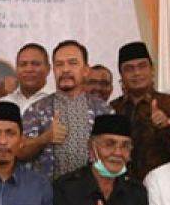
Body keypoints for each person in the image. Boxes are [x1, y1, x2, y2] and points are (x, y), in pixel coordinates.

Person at [20, 40, 112, 179]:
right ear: (53, 70)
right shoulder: (36, 110)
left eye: (72, 63)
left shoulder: (103, 110)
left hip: (90, 194)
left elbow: (115, 156)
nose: (65, 69)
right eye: (59, 64)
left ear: (86, 70)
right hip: (48, 195)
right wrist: (45, 138)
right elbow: (19, 152)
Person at [111, 42, 170, 180]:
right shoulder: (114, 108)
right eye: (129, 69)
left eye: (142, 66)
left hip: (164, 184)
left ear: (152, 69)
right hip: (122, 187)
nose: (136, 73)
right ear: (121, 75)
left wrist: (167, 127)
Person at [5, 43, 51, 113]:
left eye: (35, 64)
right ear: (16, 69)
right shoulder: (5, 103)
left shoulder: (61, 103)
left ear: (48, 69)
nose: (29, 69)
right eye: (23, 64)